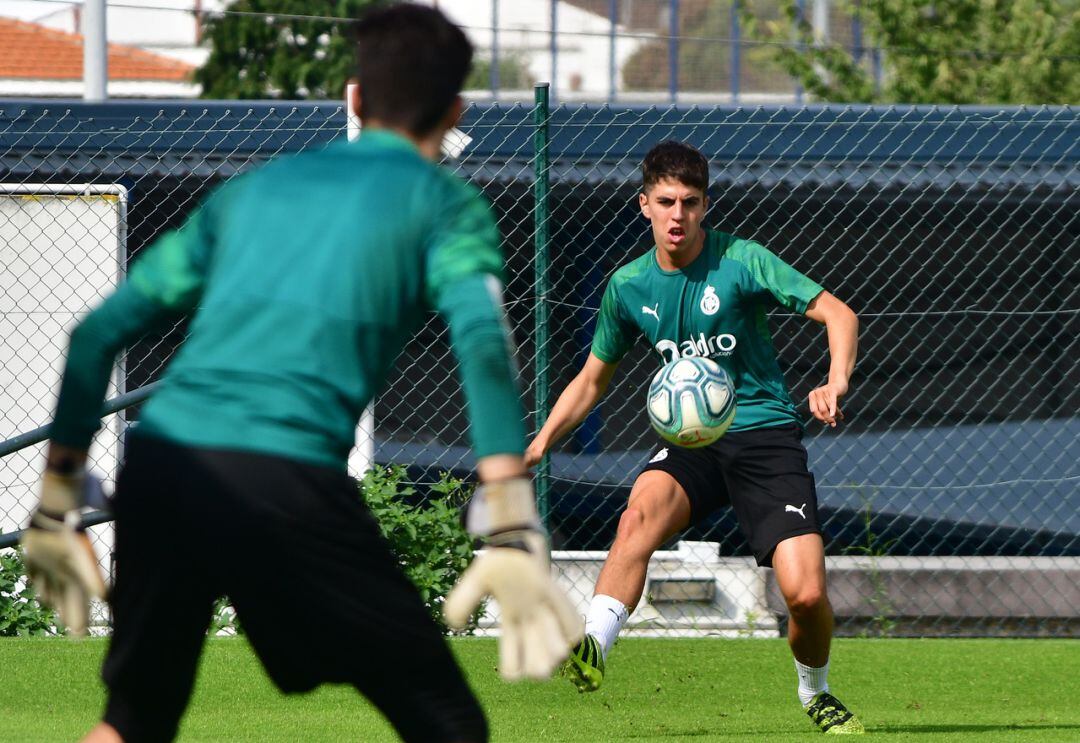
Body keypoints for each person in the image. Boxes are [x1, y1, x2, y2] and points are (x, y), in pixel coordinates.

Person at [20, 5, 579, 742]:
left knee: (134, 718)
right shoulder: (446, 204)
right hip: (282, 480)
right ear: (455, 110)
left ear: (353, 98)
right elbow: (481, 344)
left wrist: (59, 492)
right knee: (447, 721)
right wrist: (509, 514)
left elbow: (95, 335)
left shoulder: (252, 191)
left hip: (162, 466)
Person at [525, 141, 864, 735]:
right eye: (665, 202)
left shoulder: (743, 261)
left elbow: (840, 313)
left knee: (806, 596)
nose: (677, 215)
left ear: (705, 205)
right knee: (637, 518)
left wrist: (834, 383)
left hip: (764, 436)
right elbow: (590, 381)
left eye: (689, 202)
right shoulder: (627, 286)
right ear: (644, 205)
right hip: (690, 440)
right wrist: (540, 442)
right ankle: (594, 645)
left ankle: (817, 692)